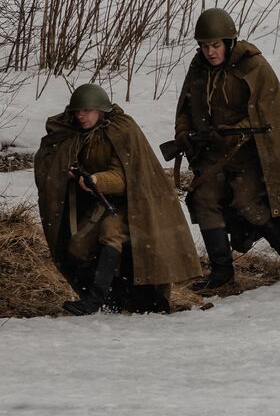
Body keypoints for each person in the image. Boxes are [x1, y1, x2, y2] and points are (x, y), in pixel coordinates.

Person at [174, 8, 280, 290]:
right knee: (203, 198)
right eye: (204, 46)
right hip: (212, 155)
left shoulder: (253, 67)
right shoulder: (199, 67)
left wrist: (235, 131)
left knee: (247, 204)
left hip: (251, 154)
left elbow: (268, 113)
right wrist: (182, 132)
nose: (210, 52)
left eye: (215, 45)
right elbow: (186, 104)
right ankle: (222, 272)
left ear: (228, 42)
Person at [33, 84, 201, 315]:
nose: (80, 116)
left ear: (101, 110)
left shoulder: (122, 130)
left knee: (111, 234)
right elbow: (53, 160)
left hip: (135, 203)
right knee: (78, 247)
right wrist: (69, 171)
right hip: (100, 203)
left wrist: (97, 180)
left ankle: (95, 301)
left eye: (87, 111)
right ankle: (113, 297)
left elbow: (125, 176)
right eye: (77, 111)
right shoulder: (73, 133)